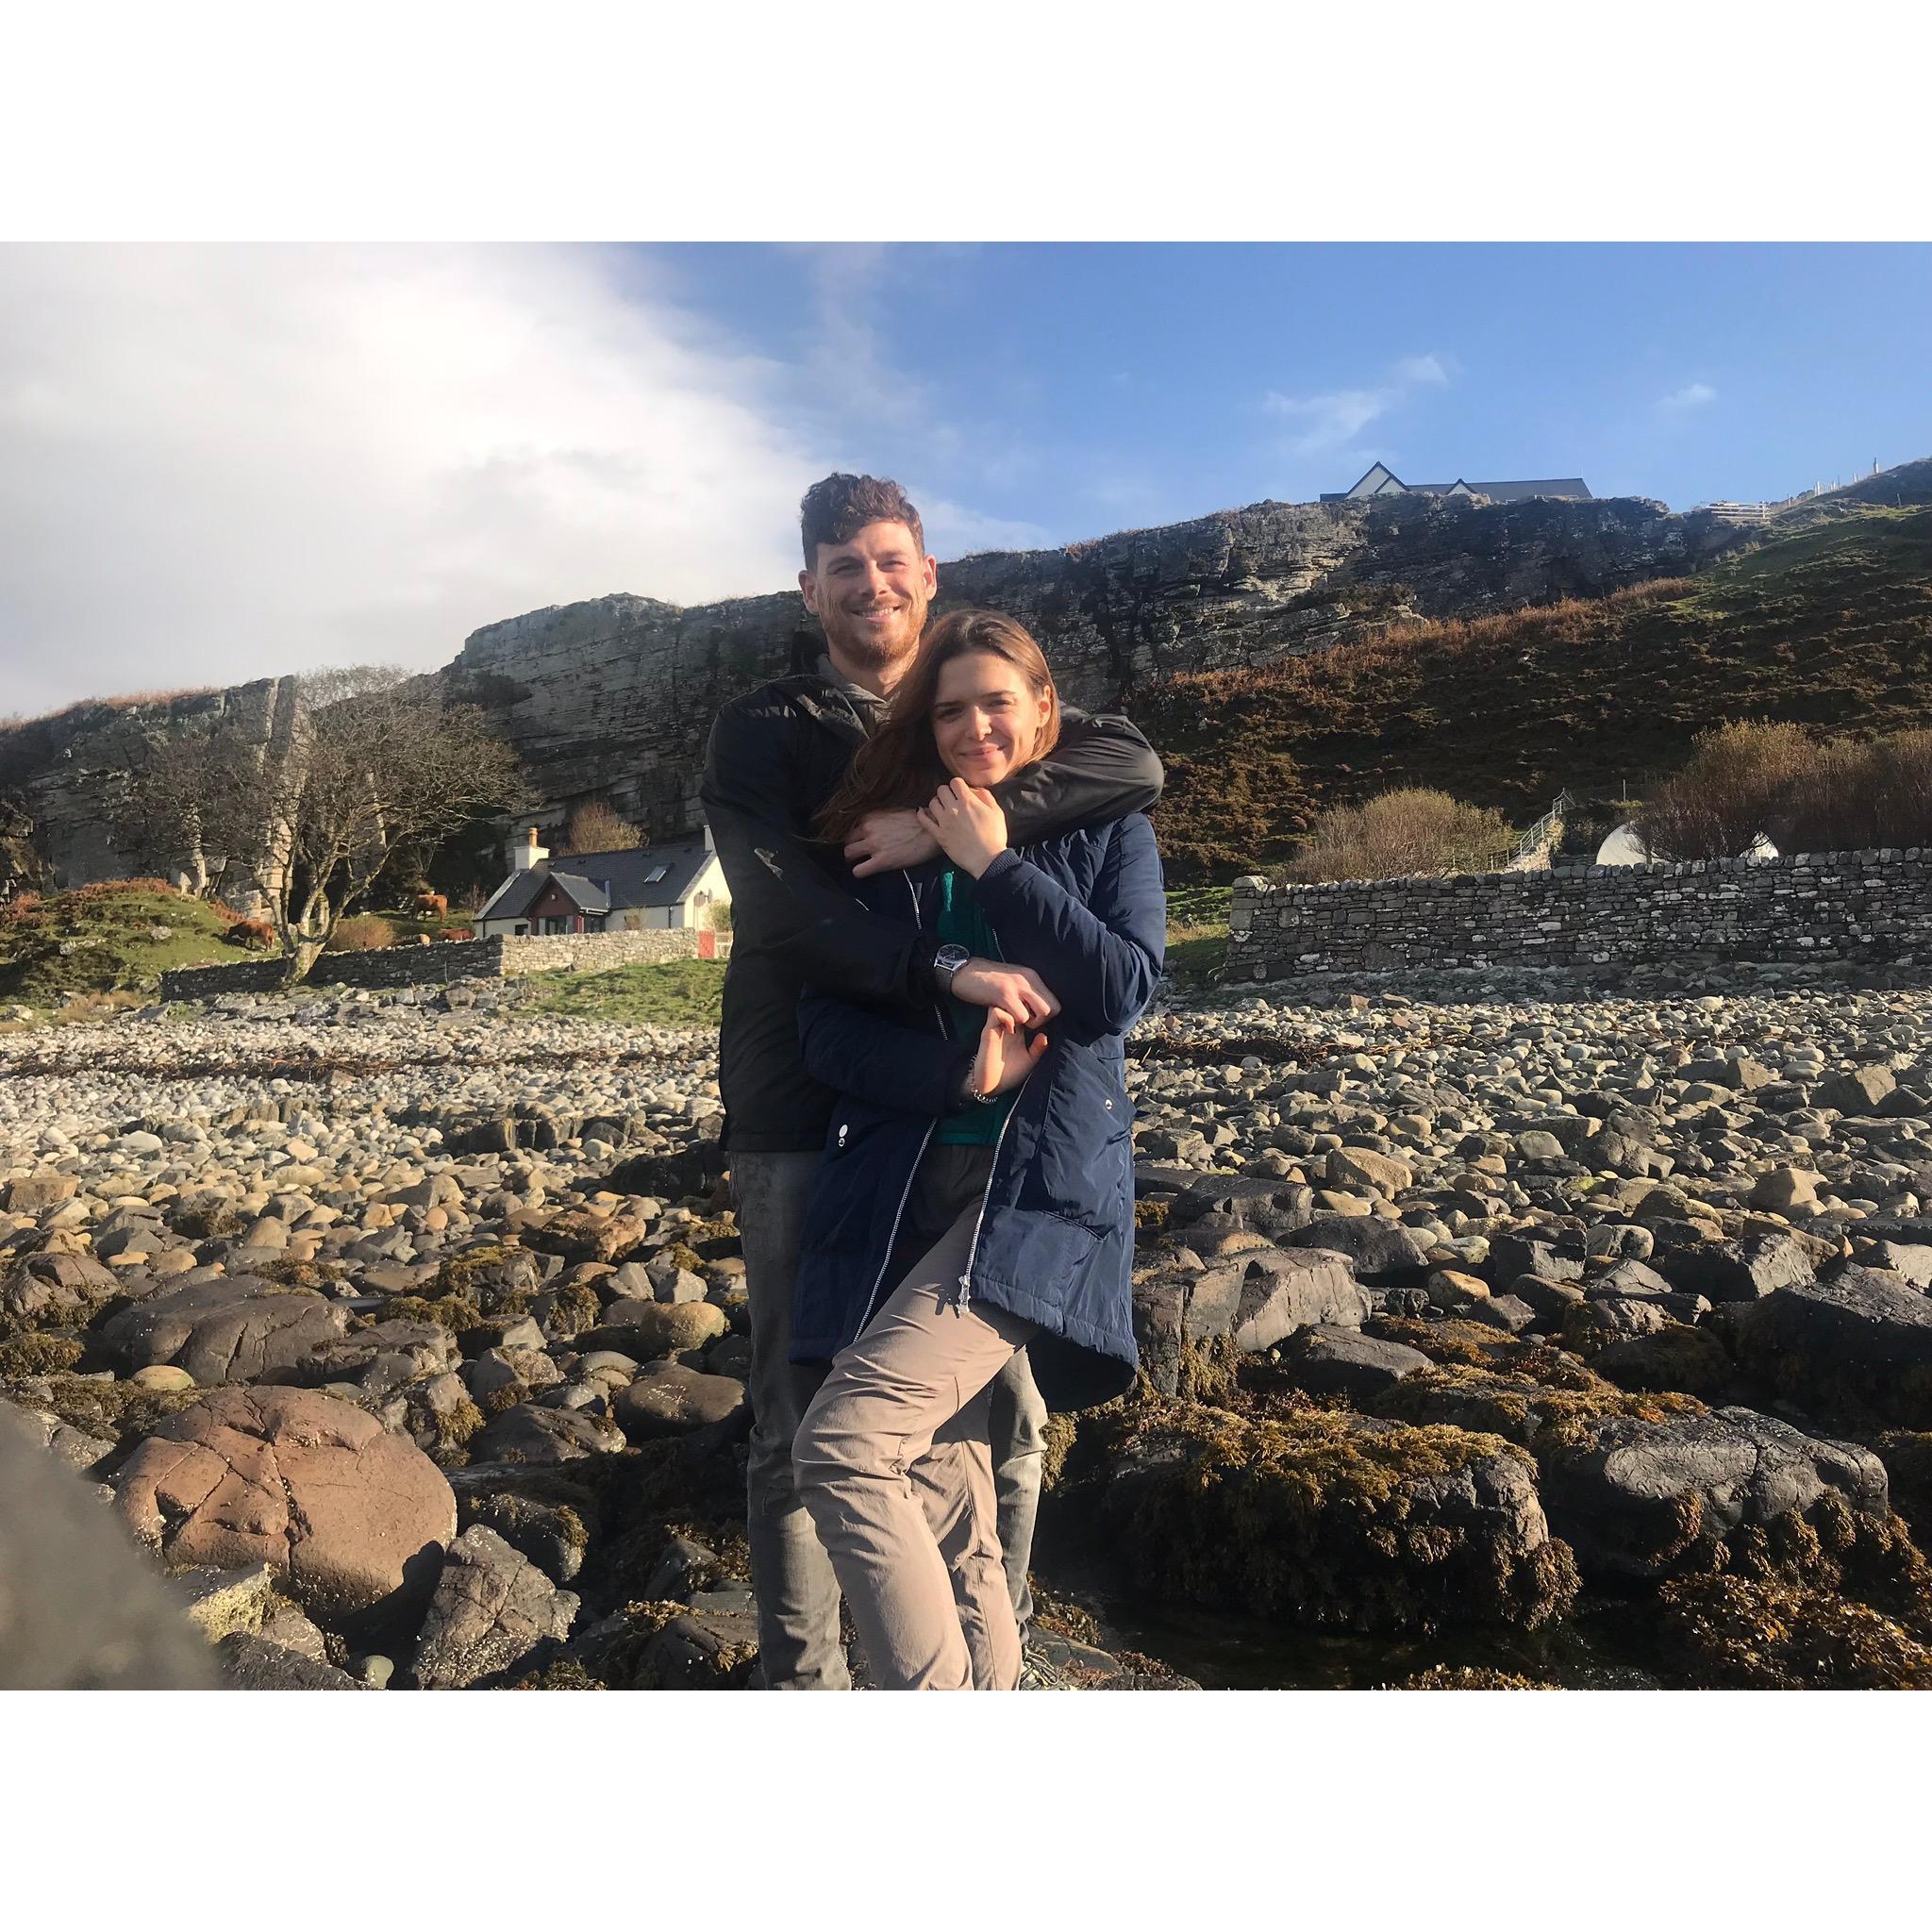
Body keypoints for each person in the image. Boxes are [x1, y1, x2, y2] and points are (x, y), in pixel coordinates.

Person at [698, 474, 1163, 1690]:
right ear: (809, 587)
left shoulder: (974, 704)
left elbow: (1129, 765)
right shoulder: (768, 729)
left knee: (995, 1426)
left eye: (891, 560)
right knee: (802, 1413)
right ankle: (805, 1682)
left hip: (1008, 1138)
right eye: (843, 566)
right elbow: (789, 923)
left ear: (930, 572)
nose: (872, 585)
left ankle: (981, 1665)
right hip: (819, 1106)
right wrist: (951, 976)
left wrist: (963, 825)